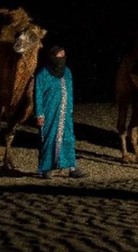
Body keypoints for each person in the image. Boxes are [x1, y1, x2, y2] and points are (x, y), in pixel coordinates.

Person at [34, 46, 87, 179]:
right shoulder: (43, 73)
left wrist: (70, 108)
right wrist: (39, 114)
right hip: (49, 111)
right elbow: (38, 94)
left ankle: (72, 167)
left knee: (68, 138)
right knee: (49, 138)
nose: (62, 58)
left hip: (65, 112)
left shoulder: (67, 72)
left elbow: (70, 90)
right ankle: (47, 168)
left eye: (63, 55)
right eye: (59, 55)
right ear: (52, 57)